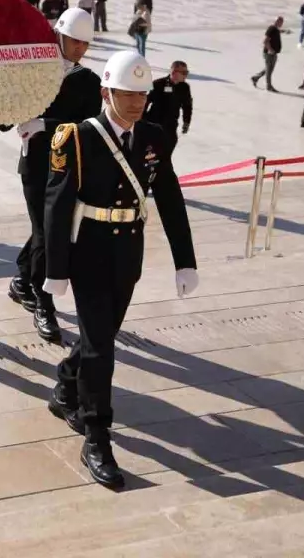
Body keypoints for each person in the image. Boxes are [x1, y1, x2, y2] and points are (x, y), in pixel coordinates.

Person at [43, 49, 197, 490]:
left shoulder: (154, 136)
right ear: (105, 91)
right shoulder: (77, 137)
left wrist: (185, 261)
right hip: (88, 250)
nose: (135, 103)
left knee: (100, 337)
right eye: (126, 94)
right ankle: (96, 436)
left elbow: (168, 196)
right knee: (101, 351)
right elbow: (56, 206)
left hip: (128, 252)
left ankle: (66, 383)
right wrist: (55, 269)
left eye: (142, 95)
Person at [8, 8, 102, 343]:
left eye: (84, 43)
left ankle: (23, 279)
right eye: (74, 40)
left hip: (64, 167)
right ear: (58, 35)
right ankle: (43, 305)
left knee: (47, 230)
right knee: (46, 232)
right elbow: (8, 115)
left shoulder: (89, 81)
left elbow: (87, 126)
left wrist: (44, 125)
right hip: (34, 165)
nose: (79, 48)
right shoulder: (34, 72)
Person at [144, 61, 193, 150]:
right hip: (154, 124)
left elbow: (187, 106)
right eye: (184, 73)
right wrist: (141, 120)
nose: (186, 75)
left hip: (171, 126)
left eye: (187, 73)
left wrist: (186, 122)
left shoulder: (185, 87)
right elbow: (145, 102)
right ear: (174, 72)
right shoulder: (158, 84)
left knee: (168, 149)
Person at [251, 16, 284, 92]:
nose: (281, 23)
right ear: (276, 21)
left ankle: (255, 78)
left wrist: (284, 31)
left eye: (282, 22)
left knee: (268, 69)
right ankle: (269, 86)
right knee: (269, 71)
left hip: (274, 53)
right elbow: (265, 41)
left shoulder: (275, 29)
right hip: (269, 53)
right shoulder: (271, 29)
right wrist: (270, 50)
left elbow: (277, 32)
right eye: (280, 22)